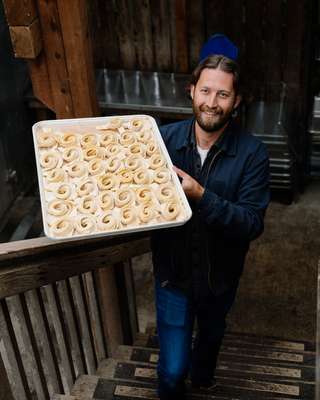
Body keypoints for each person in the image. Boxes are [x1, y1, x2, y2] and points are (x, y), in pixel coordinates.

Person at [151, 34, 270, 400]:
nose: (212, 103)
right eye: (206, 91)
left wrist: (201, 196)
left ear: (237, 101)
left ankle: (204, 378)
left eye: (223, 95)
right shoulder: (161, 140)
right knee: (172, 372)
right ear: (191, 91)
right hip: (173, 276)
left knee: (211, 338)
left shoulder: (253, 154)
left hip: (221, 278)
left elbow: (251, 223)